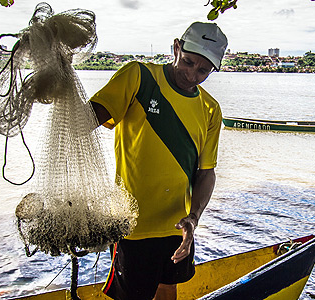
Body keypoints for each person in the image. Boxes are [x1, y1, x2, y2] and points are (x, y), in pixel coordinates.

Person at [89, 22, 228, 300]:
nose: (192, 75)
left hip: (179, 225)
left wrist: (193, 218)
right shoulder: (139, 77)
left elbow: (206, 173)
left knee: (168, 287)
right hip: (132, 225)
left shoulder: (210, 108)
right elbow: (88, 118)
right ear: (176, 47)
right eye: (187, 62)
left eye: (203, 70)